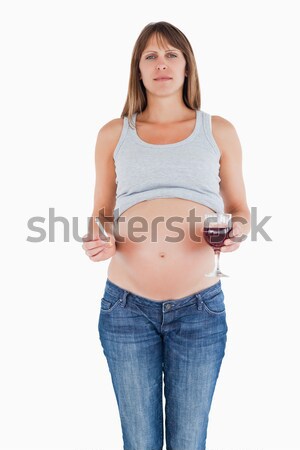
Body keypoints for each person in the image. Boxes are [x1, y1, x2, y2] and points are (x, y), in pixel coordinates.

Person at [82, 21, 250, 450]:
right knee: (139, 442)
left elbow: (240, 211)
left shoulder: (219, 131)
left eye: (172, 54)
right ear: (138, 70)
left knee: (189, 441)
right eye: (151, 56)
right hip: (125, 309)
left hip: (200, 310)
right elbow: (101, 212)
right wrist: (99, 239)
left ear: (187, 67)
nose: (162, 64)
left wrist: (237, 233)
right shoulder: (113, 134)